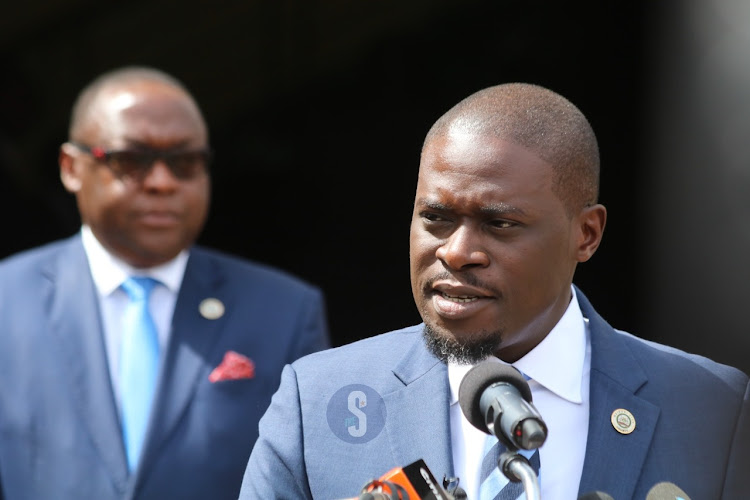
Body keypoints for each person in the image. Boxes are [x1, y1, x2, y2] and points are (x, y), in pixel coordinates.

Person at [238, 83, 750, 500]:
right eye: (435, 218)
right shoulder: (318, 402)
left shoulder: (712, 409)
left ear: (586, 234)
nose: (457, 252)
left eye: (500, 224)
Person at [0, 66, 331, 500]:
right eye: (130, 160)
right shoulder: (9, 300)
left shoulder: (285, 311)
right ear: (71, 168)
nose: (161, 182)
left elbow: (314, 480)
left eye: (185, 162)